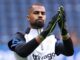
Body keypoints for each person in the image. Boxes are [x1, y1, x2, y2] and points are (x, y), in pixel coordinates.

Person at [8, 3, 74, 60]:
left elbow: (69, 52)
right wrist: (47, 31)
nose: (40, 15)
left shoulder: (52, 39)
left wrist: (64, 30)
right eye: (36, 13)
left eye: (43, 13)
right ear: (28, 17)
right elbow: (22, 52)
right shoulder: (20, 36)